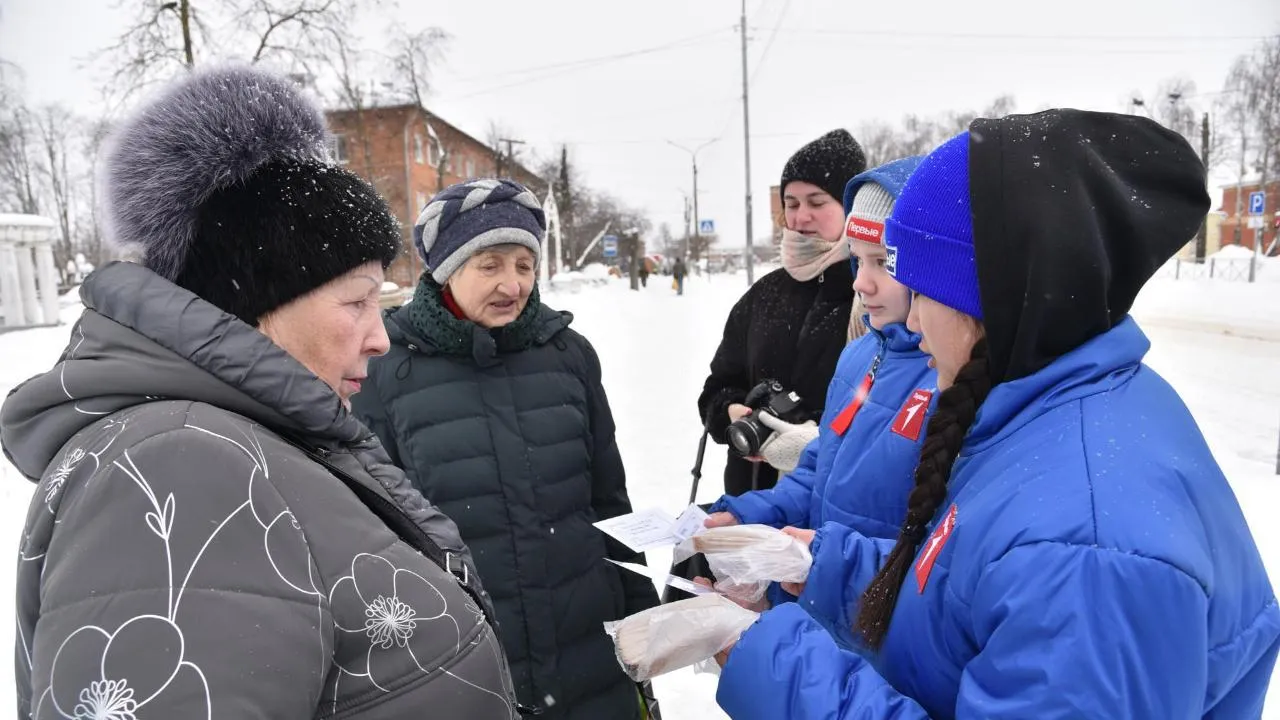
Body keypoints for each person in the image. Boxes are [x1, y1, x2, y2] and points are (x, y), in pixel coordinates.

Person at [713, 110, 1280, 719]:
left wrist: (768, 663)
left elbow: (1038, 574)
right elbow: (968, 585)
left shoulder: (1083, 551)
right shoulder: (1042, 414)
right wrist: (828, 565)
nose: (908, 321)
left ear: (994, 298)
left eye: (923, 292)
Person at [0, 66, 518, 719]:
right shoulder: (179, 468)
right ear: (255, 304)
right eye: (356, 301)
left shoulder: (250, 440)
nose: (381, 337)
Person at [351, 179, 660, 720]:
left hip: (587, 645)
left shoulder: (569, 355)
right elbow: (373, 533)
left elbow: (609, 500)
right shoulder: (384, 370)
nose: (512, 284)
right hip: (462, 654)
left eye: (524, 264)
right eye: (490, 264)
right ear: (446, 268)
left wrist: (640, 614)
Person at [701, 158, 935, 628]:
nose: (861, 282)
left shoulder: (951, 372)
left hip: (887, 622)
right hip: (818, 598)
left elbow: (945, 557)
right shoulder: (864, 353)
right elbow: (822, 473)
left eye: (883, 262)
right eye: (859, 259)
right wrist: (749, 514)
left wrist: (824, 560)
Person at [697, 129, 865, 497]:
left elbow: (889, 408)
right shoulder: (765, 294)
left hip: (834, 502)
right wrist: (731, 414)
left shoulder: (872, 292)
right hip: (753, 498)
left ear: (849, 205)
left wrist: (811, 439)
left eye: (817, 202)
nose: (801, 216)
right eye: (791, 203)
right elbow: (717, 388)